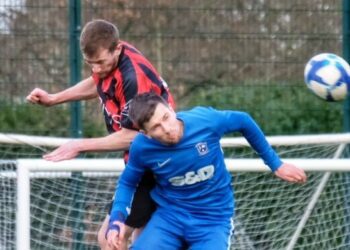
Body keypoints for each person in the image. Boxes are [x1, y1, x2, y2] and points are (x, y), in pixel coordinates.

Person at [26, 19, 175, 250]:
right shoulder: (111, 61)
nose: (95, 69)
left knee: (111, 239)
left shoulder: (133, 79)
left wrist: (79, 145)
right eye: (90, 63)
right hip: (144, 163)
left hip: (157, 164)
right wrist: (54, 98)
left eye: (100, 63)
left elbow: (135, 135)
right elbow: (97, 82)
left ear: (117, 49)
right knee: (140, 240)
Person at [106, 92, 307, 250]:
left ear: (170, 108)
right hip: (170, 217)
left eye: (166, 117)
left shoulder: (205, 121)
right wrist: (116, 220)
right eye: (156, 127)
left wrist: (276, 164)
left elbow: (243, 120)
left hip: (213, 220)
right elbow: (127, 183)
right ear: (145, 133)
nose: (167, 128)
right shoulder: (141, 148)